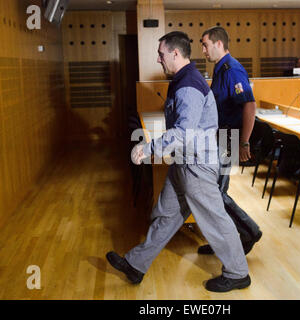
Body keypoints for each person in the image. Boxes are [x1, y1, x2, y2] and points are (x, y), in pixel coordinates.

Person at [106, 31, 251, 293]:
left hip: (197, 164)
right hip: (185, 161)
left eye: (161, 54)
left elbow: (184, 132)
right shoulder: (181, 80)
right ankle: (136, 265)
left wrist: (147, 149)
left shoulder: (188, 86)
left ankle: (238, 272)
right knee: (166, 214)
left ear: (175, 53)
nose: (158, 60)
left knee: (215, 219)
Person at [197, 26, 262, 256]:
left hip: (229, 138)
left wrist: (244, 142)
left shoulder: (232, 69)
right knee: (215, 193)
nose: (203, 50)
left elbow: (249, 105)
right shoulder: (220, 69)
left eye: (205, 45)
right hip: (220, 136)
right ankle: (224, 241)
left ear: (218, 44)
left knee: (216, 194)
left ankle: (249, 231)